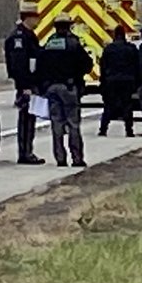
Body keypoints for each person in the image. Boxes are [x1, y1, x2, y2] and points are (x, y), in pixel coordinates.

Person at [34, 13, 92, 168]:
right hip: (69, 88)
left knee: (56, 125)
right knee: (73, 124)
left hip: (51, 89)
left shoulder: (48, 44)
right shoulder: (74, 44)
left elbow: (39, 68)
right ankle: (77, 158)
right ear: (69, 26)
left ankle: (60, 158)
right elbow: (87, 65)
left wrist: (42, 87)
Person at [2, 0, 46, 165]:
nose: (38, 22)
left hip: (31, 84)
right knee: (26, 120)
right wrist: (25, 86)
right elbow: (19, 65)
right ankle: (25, 153)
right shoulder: (19, 38)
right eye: (36, 18)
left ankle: (28, 151)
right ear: (29, 18)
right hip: (26, 85)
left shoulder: (29, 36)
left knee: (30, 118)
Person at [98, 26, 140, 137]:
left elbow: (102, 66)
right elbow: (138, 66)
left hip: (111, 80)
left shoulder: (109, 49)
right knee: (127, 105)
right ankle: (129, 130)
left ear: (115, 35)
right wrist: (136, 81)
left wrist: (103, 81)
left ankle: (103, 129)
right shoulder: (131, 49)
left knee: (108, 105)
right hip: (127, 81)